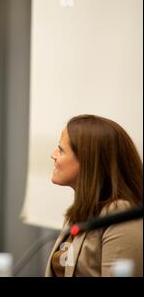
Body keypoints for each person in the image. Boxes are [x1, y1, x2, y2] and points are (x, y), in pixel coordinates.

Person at [46, 114, 143, 277]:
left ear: (88, 160)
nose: (53, 155)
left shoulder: (120, 214)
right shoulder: (79, 211)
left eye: (61, 150)